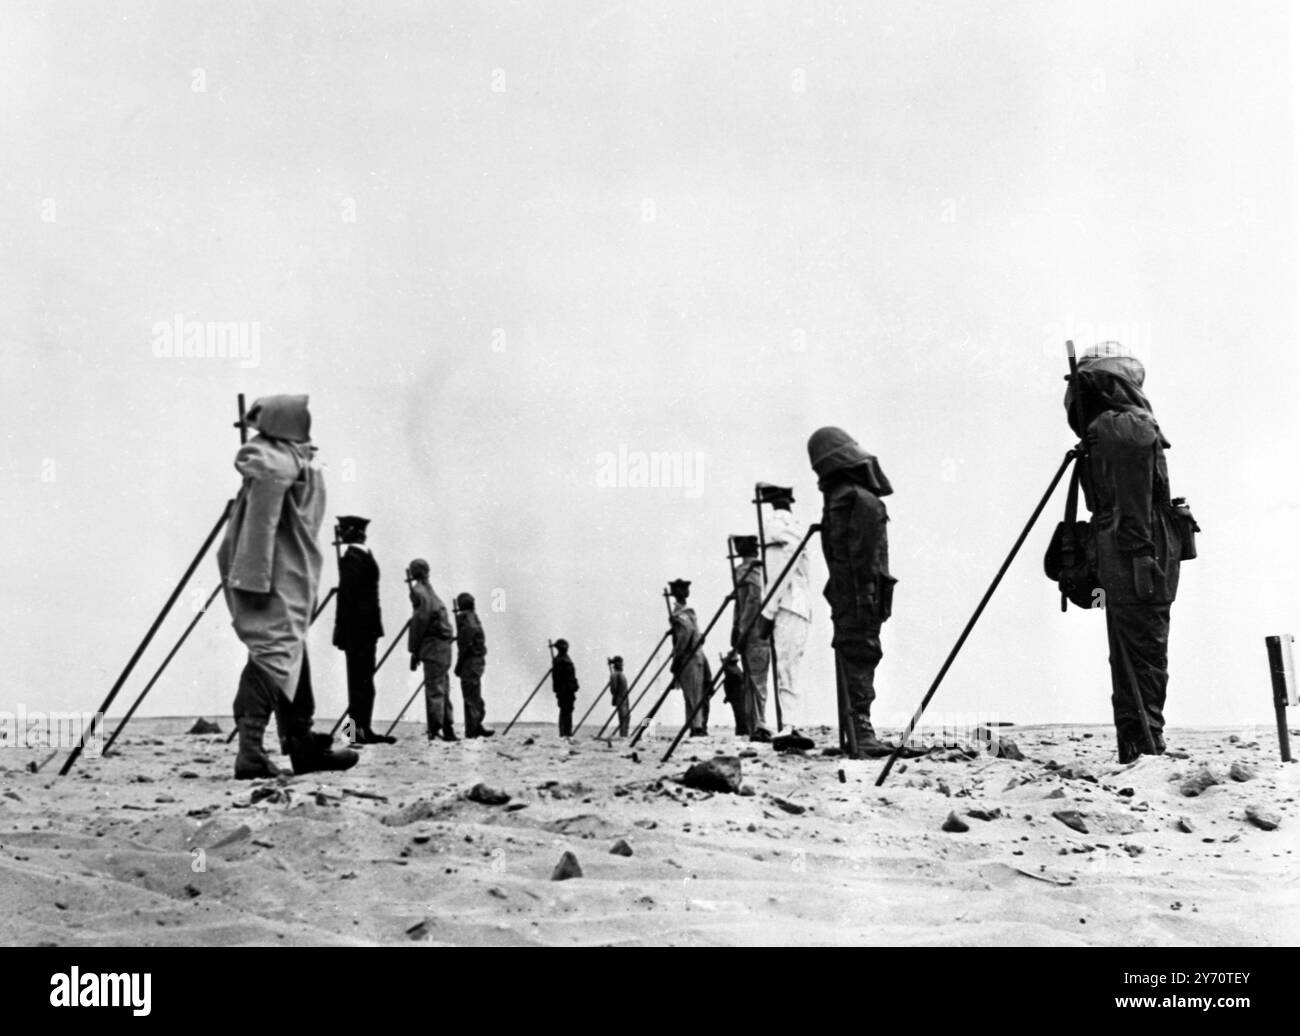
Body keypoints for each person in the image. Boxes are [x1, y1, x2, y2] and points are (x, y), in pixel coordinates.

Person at [219, 394, 358, 778]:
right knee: (272, 656)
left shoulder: (287, 459)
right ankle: (250, 751)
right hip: (270, 580)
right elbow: (259, 530)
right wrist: (254, 580)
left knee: (290, 656)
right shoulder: (274, 463)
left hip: (287, 577)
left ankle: (301, 744)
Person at [1065, 342, 1190, 763]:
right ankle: (1144, 745)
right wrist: (1141, 557)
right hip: (1139, 554)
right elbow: (1135, 504)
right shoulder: (1128, 425)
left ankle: (1138, 744)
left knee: (1132, 647)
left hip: (1123, 551)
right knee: (1144, 648)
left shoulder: (1108, 427)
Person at [808, 426, 896, 757]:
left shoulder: (840, 499)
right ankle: (862, 732)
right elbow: (862, 558)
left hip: (852, 596)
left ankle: (856, 732)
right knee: (862, 654)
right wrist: (864, 603)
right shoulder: (859, 500)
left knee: (855, 654)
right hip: (862, 597)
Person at [332, 515, 394, 745]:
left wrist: (341, 631)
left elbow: (347, 600)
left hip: (357, 631)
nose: (339, 533)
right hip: (365, 631)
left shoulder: (353, 558)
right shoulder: (363, 556)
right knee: (362, 683)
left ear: (354, 532)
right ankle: (358, 731)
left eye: (343, 529)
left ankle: (358, 731)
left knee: (359, 683)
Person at [758, 486, 813, 738]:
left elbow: (780, 573)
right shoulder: (795, 525)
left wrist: (767, 612)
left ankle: (791, 726)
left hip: (786, 603)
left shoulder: (775, 527)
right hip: (799, 605)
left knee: (786, 667)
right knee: (790, 666)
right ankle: (792, 724)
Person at [407, 558, 457, 741]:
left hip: (432, 647)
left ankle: (435, 729)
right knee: (443, 687)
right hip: (443, 648)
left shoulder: (419, 591)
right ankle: (447, 728)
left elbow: (420, 622)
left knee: (435, 689)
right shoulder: (430, 592)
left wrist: (414, 650)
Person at [730, 535, 772, 742]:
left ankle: (759, 724)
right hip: (752, 632)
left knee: (756, 678)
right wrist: (736, 628)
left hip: (754, 631)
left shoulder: (751, 570)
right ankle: (755, 723)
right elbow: (743, 602)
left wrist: (741, 628)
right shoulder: (751, 570)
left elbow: (755, 599)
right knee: (754, 679)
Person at [668, 578, 710, 736]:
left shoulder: (681, 614)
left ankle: (696, 727)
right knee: (692, 694)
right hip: (694, 656)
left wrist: (676, 659)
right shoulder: (686, 612)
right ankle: (694, 726)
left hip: (689, 658)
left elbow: (685, 636)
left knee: (693, 695)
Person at [454, 592, 494, 738]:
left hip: (470, 662)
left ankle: (473, 729)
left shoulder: (467, 620)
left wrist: (458, 665)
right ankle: (474, 727)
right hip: (475, 662)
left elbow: (465, 645)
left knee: (471, 696)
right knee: (473, 695)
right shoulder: (472, 618)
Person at [551, 639, 579, 736]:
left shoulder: (561, 660)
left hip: (568, 691)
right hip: (565, 691)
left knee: (566, 712)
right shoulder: (561, 661)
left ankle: (566, 733)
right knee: (566, 712)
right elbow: (558, 679)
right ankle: (565, 733)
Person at [720, 653, 749, 736]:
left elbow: (729, 683)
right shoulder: (733, 669)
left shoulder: (731, 669)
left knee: (739, 713)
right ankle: (742, 730)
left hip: (737, 693)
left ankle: (742, 730)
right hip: (737, 694)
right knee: (740, 713)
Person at [609, 656, 631, 737]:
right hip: (620, 699)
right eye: (621, 664)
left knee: (627, 717)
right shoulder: (615, 675)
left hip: (625, 699)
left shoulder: (621, 674)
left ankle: (625, 735)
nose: (622, 665)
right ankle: (623, 735)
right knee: (623, 717)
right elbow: (613, 689)